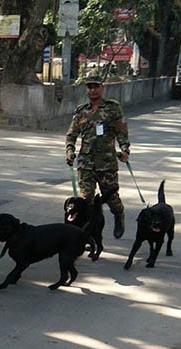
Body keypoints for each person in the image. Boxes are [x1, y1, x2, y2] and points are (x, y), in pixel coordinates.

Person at [65, 74, 130, 239]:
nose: (92, 90)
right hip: (85, 163)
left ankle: (119, 216)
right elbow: (71, 134)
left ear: (102, 87)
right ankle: (86, 234)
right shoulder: (81, 111)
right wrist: (70, 151)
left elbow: (121, 131)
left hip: (106, 162)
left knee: (111, 197)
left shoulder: (112, 108)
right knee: (85, 201)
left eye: (96, 86)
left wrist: (125, 150)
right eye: (89, 87)